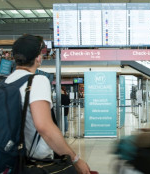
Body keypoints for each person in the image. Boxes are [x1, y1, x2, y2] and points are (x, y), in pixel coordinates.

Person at [5, 34, 90, 173]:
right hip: (35, 162)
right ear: (38, 58)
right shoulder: (37, 80)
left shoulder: (6, 82)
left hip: (12, 161)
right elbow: (44, 127)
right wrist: (75, 159)